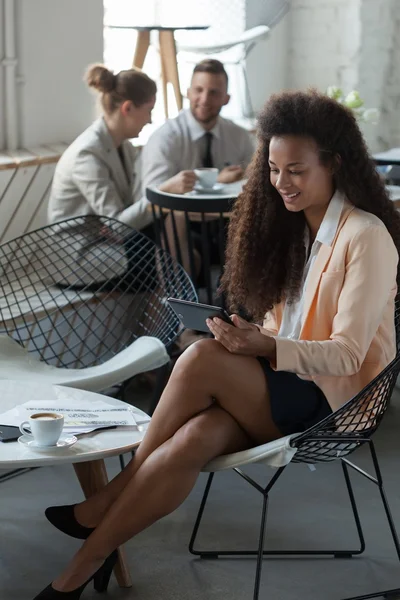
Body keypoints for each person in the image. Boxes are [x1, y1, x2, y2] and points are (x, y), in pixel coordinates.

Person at [32, 89, 400, 599]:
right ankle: (80, 569)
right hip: (283, 387)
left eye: (296, 170)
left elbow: (349, 354)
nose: (281, 183)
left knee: (202, 355)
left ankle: (110, 497)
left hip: (335, 401)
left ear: (334, 164)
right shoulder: (293, 232)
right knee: (194, 438)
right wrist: (251, 338)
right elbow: (285, 330)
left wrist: (264, 348)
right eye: (273, 169)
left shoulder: (366, 235)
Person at [47, 64, 157, 286]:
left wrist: (120, 223)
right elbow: (118, 223)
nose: (150, 119)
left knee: (168, 244)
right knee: (165, 255)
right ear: (127, 108)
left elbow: (120, 217)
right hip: (79, 257)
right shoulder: (87, 153)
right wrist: (159, 198)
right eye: (149, 110)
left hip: (108, 243)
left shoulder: (124, 146)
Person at [141, 58, 255, 194]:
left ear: (226, 99)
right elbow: (151, 196)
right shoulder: (165, 138)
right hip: (177, 214)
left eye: (213, 93)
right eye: (198, 90)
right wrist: (216, 180)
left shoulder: (240, 137)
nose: (205, 99)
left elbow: (255, 183)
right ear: (188, 93)